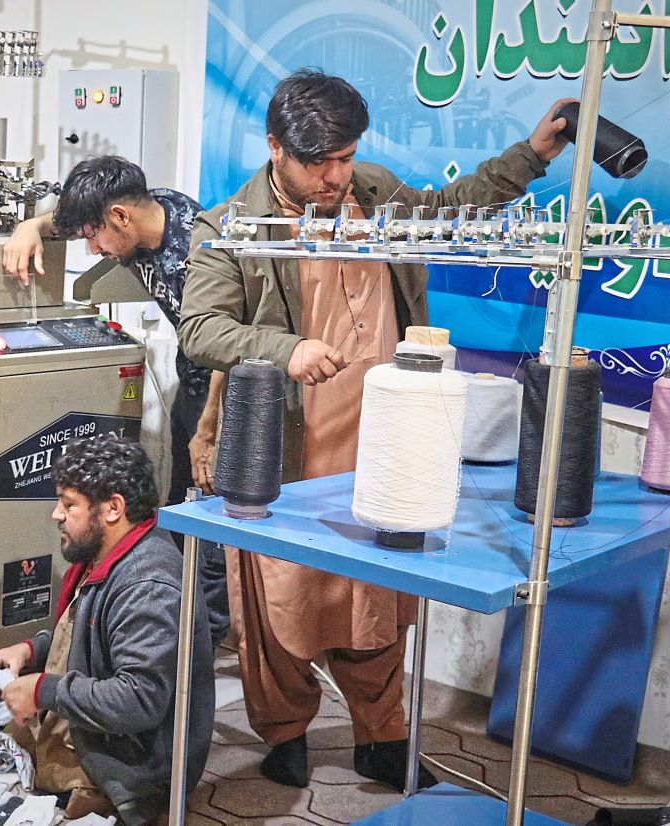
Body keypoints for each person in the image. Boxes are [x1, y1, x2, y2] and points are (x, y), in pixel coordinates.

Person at [178, 69, 572, 791]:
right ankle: (287, 732)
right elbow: (200, 328)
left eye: (346, 157)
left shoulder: (373, 193)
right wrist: (283, 350)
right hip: (289, 448)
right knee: (282, 600)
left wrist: (535, 153)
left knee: (381, 596)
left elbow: (449, 210)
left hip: (386, 438)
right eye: (319, 162)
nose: (336, 176)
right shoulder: (229, 225)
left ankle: (381, 738)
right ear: (275, 148)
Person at [3, 156, 230, 647]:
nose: (93, 247)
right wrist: (30, 225)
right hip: (191, 390)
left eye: (95, 235)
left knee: (209, 536)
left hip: (221, 397)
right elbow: (77, 217)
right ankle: (167, 639)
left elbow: (228, 346)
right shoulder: (152, 209)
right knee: (178, 520)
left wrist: (208, 432)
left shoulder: (196, 251)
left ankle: (193, 662)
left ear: (122, 217)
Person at [0, 434, 214, 826]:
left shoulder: (148, 586)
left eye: (69, 504)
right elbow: (87, 637)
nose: (57, 514)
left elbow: (139, 699)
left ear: (112, 509)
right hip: (93, 732)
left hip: (129, 770)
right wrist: (31, 651)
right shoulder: (105, 555)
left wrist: (43, 690)